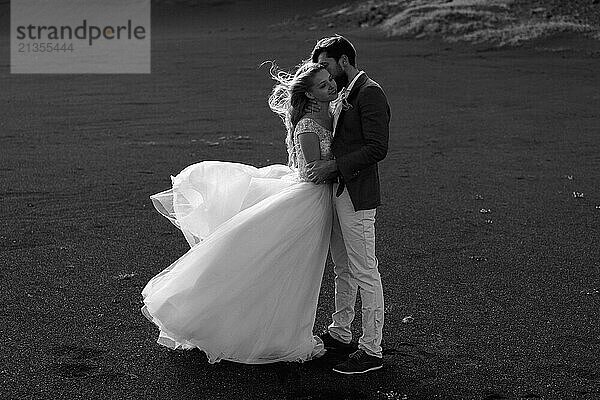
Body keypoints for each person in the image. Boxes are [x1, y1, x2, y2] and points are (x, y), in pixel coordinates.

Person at [141, 62, 339, 364]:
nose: (331, 86)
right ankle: (256, 332)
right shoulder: (308, 126)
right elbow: (312, 173)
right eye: (323, 85)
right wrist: (344, 165)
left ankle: (280, 333)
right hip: (307, 201)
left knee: (298, 270)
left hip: (315, 202)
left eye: (330, 81)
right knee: (282, 266)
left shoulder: (332, 110)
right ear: (311, 95)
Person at [306, 35, 390, 374]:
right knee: (343, 269)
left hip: (357, 195)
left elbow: (377, 149)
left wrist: (333, 166)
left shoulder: (370, 93)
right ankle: (340, 333)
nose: (319, 71)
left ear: (343, 61)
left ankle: (371, 349)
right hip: (339, 194)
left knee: (365, 271)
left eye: (325, 65)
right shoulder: (341, 94)